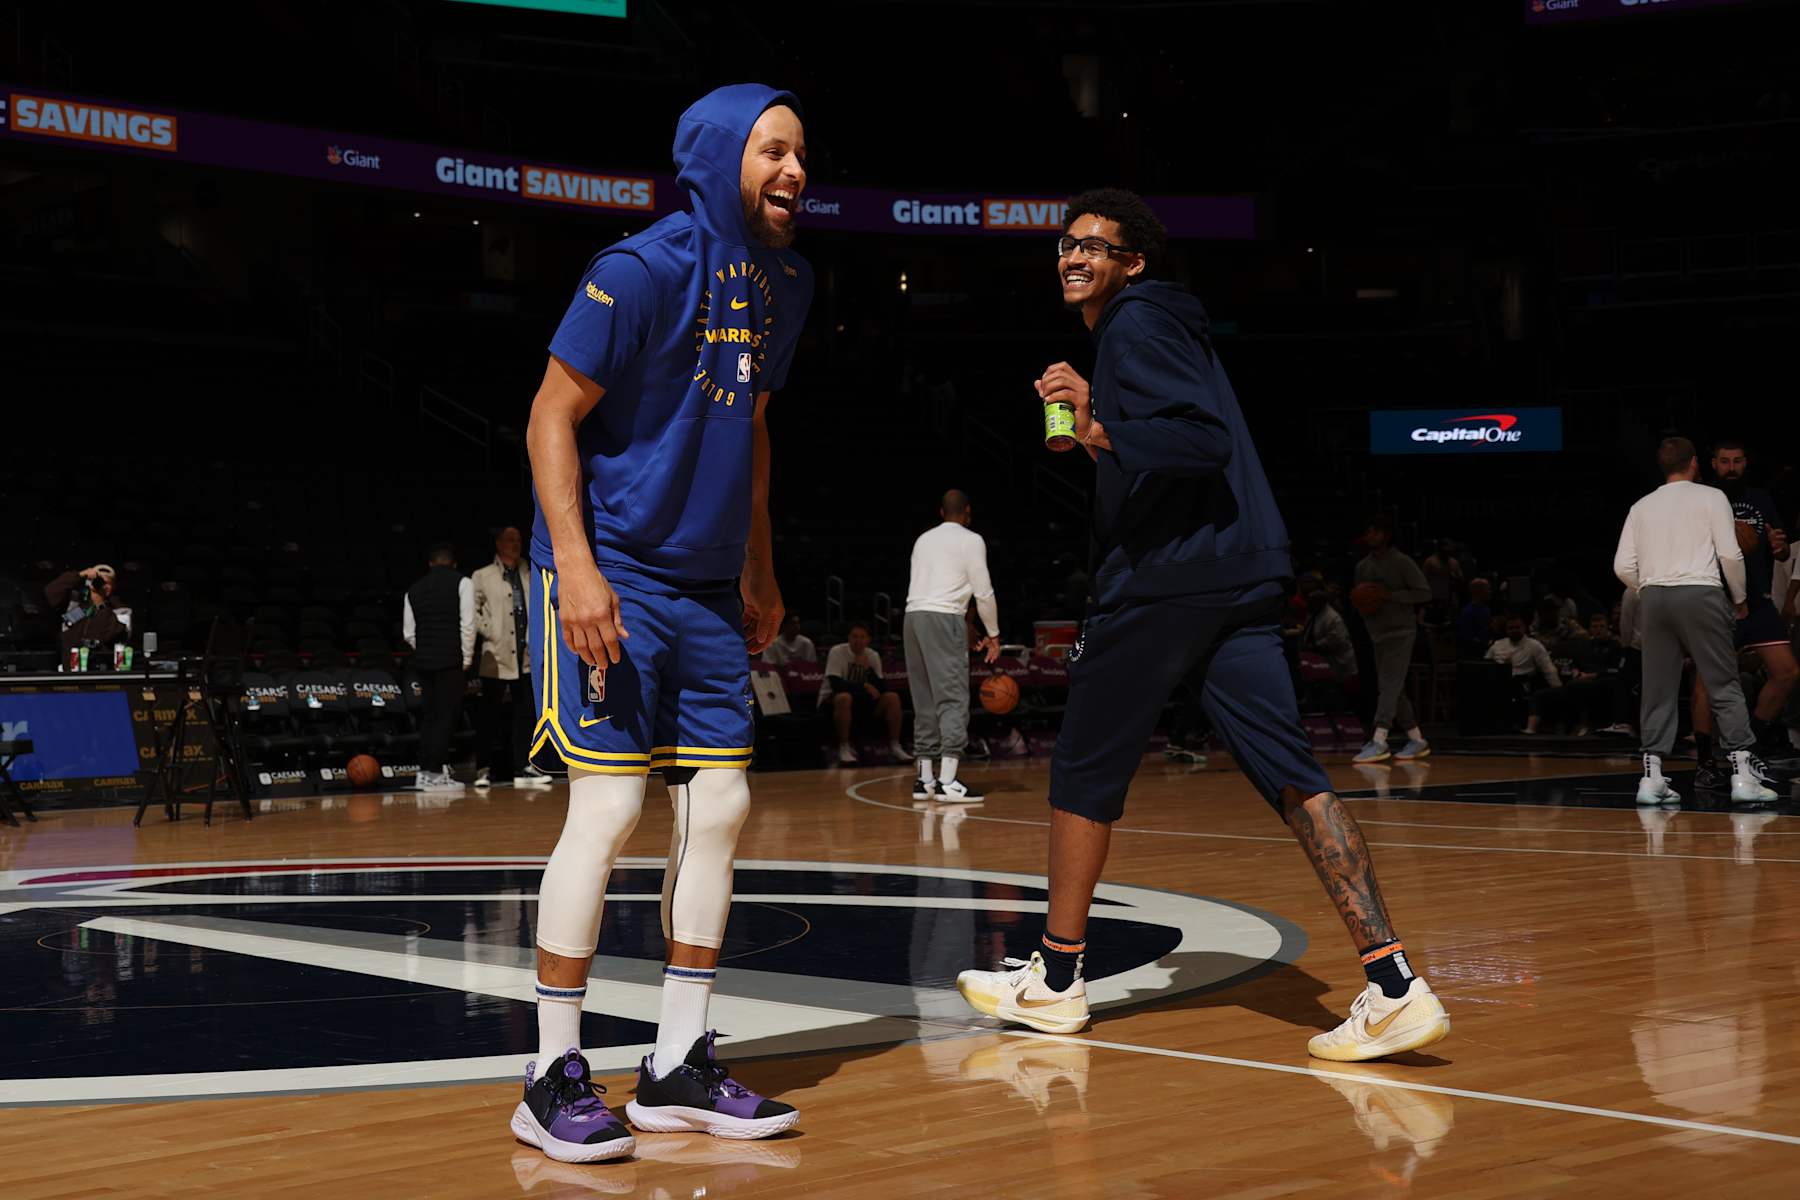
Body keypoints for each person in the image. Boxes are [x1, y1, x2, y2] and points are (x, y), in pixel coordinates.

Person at [957, 188, 1449, 1064]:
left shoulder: (1137, 322)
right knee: (1293, 772)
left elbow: (1199, 442)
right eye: (1066, 244)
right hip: (1238, 574)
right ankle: (1394, 985)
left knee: (1083, 770)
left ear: (1134, 262)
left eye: (1095, 246)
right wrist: (1102, 420)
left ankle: (1057, 979)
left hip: (1166, 578)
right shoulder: (1162, 325)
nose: (1073, 255)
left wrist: (1098, 425)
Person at [516, 84, 812, 1161]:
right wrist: (579, 571)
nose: (794, 172)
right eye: (772, 151)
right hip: (614, 572)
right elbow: (550, 415)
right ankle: (550, 1075)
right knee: (608, 810)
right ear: (721, 156)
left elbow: (755, 430)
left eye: (801, 155)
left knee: (720, 805)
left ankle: (677, 1062)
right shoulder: (638, 269)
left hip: (706, 584)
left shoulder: (788, 282)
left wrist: (759, 567)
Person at [1613, 436, 1777, 805]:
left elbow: (1622, 566)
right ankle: (1742, 777)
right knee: (1723, 682)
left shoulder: (1641, 505)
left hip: (1654, 597)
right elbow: (1730, 554)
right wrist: (1739, 598)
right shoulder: (1711, 497)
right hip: (1700, 592)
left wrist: (1648, 588)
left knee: (1657, 687)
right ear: (1694, 464)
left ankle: (1651, 779)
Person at [1691, 439, 1799, 770]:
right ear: (1713, 464)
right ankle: (1705, 763)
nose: (1731, 468)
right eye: (1724, 461)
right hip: (1716, 601)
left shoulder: (1760, 499)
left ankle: (1750, 746)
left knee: (1787, 672)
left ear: (1745, 463)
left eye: (1737, 461)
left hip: (1757, 601)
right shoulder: (1703, 499)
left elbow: (1781, 551)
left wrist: (1779, 547)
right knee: (1707, 682)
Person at [903, 489, 1002, 803]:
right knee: (953, 698)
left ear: (941, 512)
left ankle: (925, 780)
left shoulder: (923, 539)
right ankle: (948, 781)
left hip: (912, 617)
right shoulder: (971, 540)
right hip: (944, 617)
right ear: (968, 512)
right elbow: (983, 592)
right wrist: (993, 633)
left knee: (924, 699)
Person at [472, 527, 552, 789]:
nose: (516, 544)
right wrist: (491, 632)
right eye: (510, 539)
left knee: (526, 714)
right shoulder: (483, 575)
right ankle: (483, 768)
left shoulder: (530, 573)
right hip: (497, 655)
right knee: (489, 716)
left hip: (527, 655)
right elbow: (472, 611)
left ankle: (523, 767)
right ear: (498, 544)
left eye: (518, 539)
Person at [1352, 516, 1432, 763]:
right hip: (1378, 633)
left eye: (1375, 532)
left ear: (1386, 535)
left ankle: (1379, 739)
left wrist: (1389, 595)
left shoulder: (1402, 562)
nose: (1371, 536)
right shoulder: (1362, 567)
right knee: (1394, 687)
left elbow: (1424, 593)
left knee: (1388, 684)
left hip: (1401, 631)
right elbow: (1361, 601)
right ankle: (1416, 739)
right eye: (1368, 532)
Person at [402, 543, 475, 792]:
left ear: (430, 564)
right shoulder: (462, 583)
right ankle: (435, 774)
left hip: (423, 662)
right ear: (453, 564)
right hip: (450, 661)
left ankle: (424, 772)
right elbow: (468, 625)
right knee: (446, 717)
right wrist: (466, 659)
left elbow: (409, 633)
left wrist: (425, 649)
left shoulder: (413, 589)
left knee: (429, 717)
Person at [819, 622, 905, 764]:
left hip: (863, 703)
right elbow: (836, 685)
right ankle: (844, 747)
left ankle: (895, 745)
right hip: (833, 703)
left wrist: (867, 670)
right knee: (844, 697)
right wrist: (864, 685)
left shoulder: (872, 655)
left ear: (868, 640)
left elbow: (883, 687)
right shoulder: (837, 651)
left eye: (862, 637)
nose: (858, 640)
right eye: (854, 636)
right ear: (848, 638)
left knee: (892, 697)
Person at [1487, 614, 1561, 734]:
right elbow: (1485, 664)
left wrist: (1558, 689)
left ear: (1524, 628)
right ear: (1506, 630)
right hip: (1498, 680)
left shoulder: (1535, 645)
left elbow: (1548, 669)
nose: (1514, 630)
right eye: (1511, 628)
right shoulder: (1498, 645)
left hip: (1523, 682)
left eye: (1517, 627)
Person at [43, 564, 130, 655]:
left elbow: (117, 637)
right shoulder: (79, 606)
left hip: (100, 661)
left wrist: (100, 603)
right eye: (97, 580)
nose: (98, 584)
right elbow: (50, 593)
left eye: (104, 582)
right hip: (73, 660)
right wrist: (79, 575)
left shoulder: (119, 610)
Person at [1455, 577, 1494, 661]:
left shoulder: (1486, 609)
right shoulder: (1467, 612)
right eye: (1488, 589)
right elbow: (1466, 637)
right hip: (1474, 654)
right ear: (1479, 592)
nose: (1490, 592)